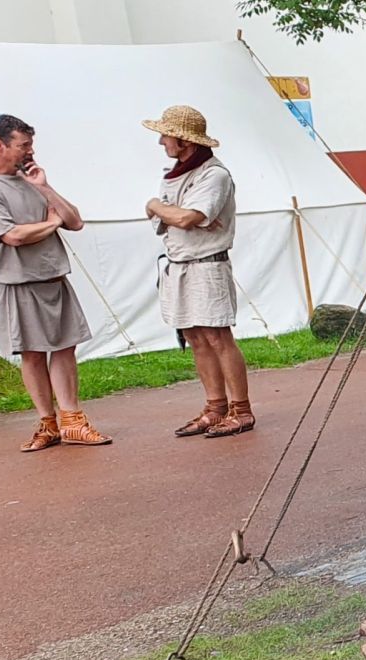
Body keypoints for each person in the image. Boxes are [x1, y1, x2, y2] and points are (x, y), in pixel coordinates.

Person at [0, 114, 111, 451]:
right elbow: (13, 236)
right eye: (23, 145)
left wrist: (44, 188)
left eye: (30, 144)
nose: (30, 151)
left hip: (52, 276)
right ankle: (48, 423)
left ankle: (73, 422)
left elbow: (75, 221)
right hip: (15, 281)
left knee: (65, 347)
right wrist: (51, 224)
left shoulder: (30, 179)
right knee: (32, 353)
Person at [143, 105, 254, 438]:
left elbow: (187, 218)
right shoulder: (173, 175)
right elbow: (172, 220)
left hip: (207, 265)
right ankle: (216, 407)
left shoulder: (214, 175)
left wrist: (155, 205)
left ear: (185, 141)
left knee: (217, 337)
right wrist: (166, 211)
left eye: (166, 135)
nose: (161, 141)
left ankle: (241, 410)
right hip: (179, 265)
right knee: (194, 336)